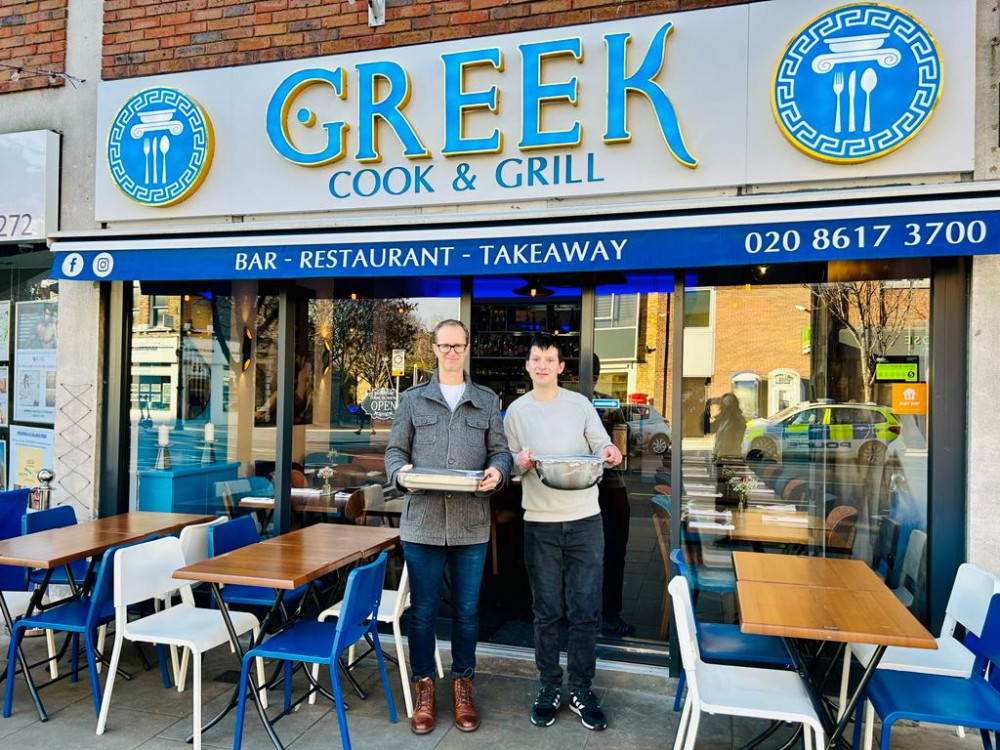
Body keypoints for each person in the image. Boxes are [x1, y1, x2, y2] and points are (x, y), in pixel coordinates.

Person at [384, 319, 511, 736]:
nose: (452, 352)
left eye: (459, 345)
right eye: (445, 345)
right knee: (420, 613)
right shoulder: (412, 399)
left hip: (471, 525)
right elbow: (394, 452)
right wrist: (401, 474)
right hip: (421, 523)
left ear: (467, 348)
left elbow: (501, 453)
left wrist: (497, 471)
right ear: (434, 349)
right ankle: (424, 689)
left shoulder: (487, 400)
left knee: (467, 613)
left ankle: (462, 687)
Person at [503, 333, 623, 731]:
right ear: (527, 365)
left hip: (586, 520)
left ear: (560, 367)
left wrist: (611, 453)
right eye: (535, 358)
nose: (541, 365)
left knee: (585, 610)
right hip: (539, 521)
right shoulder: (515, 412)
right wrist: (519, 461)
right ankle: (549, 686)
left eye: (548, 359)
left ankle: (582, 689)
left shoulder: (581, 405)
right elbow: (511, 465)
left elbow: (602, 446)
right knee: (547, 611)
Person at [711, 392, 746, 460]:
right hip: (720, 456)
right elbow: (708, 429)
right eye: (725, 403)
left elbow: (737, 438)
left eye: (729, 403)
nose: (727, 406)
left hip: (732, 457)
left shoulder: (738, 420)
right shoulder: (722, 419)